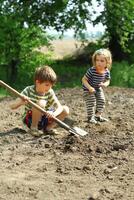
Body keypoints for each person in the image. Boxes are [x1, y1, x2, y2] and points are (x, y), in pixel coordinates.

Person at [10, 66, 69, 136]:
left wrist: (54, 114)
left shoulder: (49, 92)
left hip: (44, 119)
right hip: (30, 119)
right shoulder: (28, 90)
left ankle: (48, 128)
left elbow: (59, 107)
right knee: (41, 102)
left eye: (51, 85)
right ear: (38, 82)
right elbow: (12, 106)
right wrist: (20, 102)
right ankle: (33, 128)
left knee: (65, 109)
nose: (49, 88)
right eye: (47, 85)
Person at [82, 48, 112, 124]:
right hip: (88, 88)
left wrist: (105, 84)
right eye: (97, 60)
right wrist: (89, 88)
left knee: (102, 100)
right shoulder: (92, 70)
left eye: (102, 61)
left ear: (107, 62)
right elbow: (84, 80)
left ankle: (97, 116)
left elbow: (108, 80)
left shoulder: (106, 71)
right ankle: (90, 117)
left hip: (98, 88)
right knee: (91, 101)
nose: (99, 63)